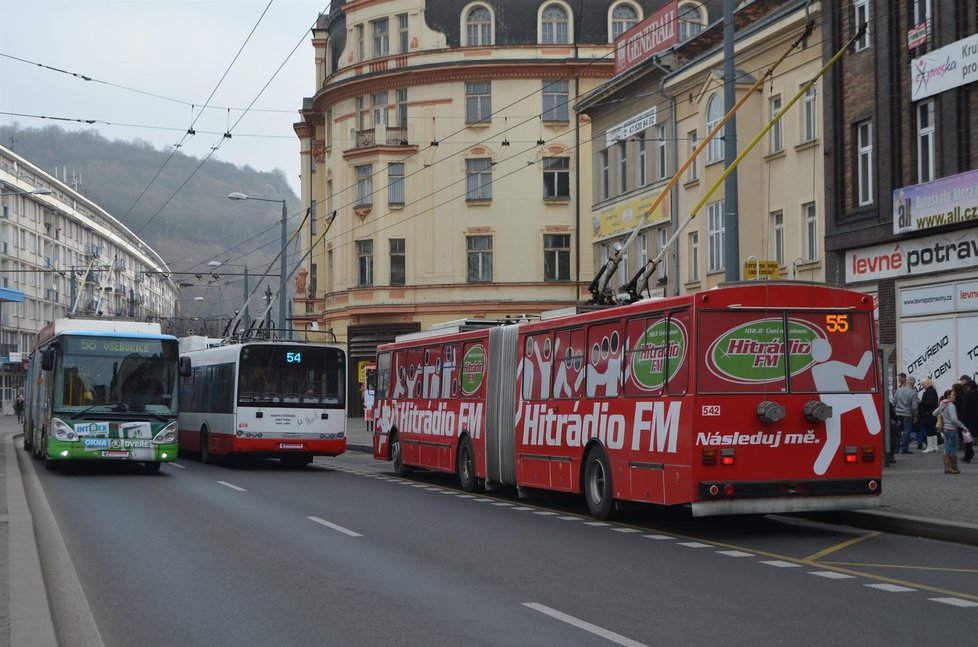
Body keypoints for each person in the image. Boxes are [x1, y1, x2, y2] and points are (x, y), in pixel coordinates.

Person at [934, 384, 969, 474]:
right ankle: (953, 467)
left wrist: (942, 417)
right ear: (948, 396)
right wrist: (963, 427)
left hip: (945, 429)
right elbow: (954, 419)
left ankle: (947, 467)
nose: (954, 396)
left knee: (947, 448)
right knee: (953, 448)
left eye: (954, 394)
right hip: (952, 430)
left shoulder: (942, 404)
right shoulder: (951, 406)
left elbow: (934, 413)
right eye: (953, 395)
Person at [891, 374, 919, 454]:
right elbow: (914, 407)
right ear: (913, 383)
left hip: (897, 413)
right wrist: (915, 416)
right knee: (907, 431)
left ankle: (896, 448)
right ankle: (904, 448)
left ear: (906, 382)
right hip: (907, 414)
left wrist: (894, 413)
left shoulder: (899, 390)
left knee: (897, 431)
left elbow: (894, 402)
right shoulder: (913, 393)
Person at [918, 378, 939, 453]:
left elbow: (931, 402)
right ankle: (934, 446)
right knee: (932, 430)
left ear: (927, 384)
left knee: (929, 430)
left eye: (923, 384)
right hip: (931, 414)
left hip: (928, 414)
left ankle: (930, 446)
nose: (922, 386)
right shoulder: (932, 391)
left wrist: (921, 402)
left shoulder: (929, 392)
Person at [960, 376, 978, 463]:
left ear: (969, 387)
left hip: (970, 421)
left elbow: (965, 409)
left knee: (968, 440)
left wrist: (962, 420)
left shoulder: (968, 395)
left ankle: (968, 455)